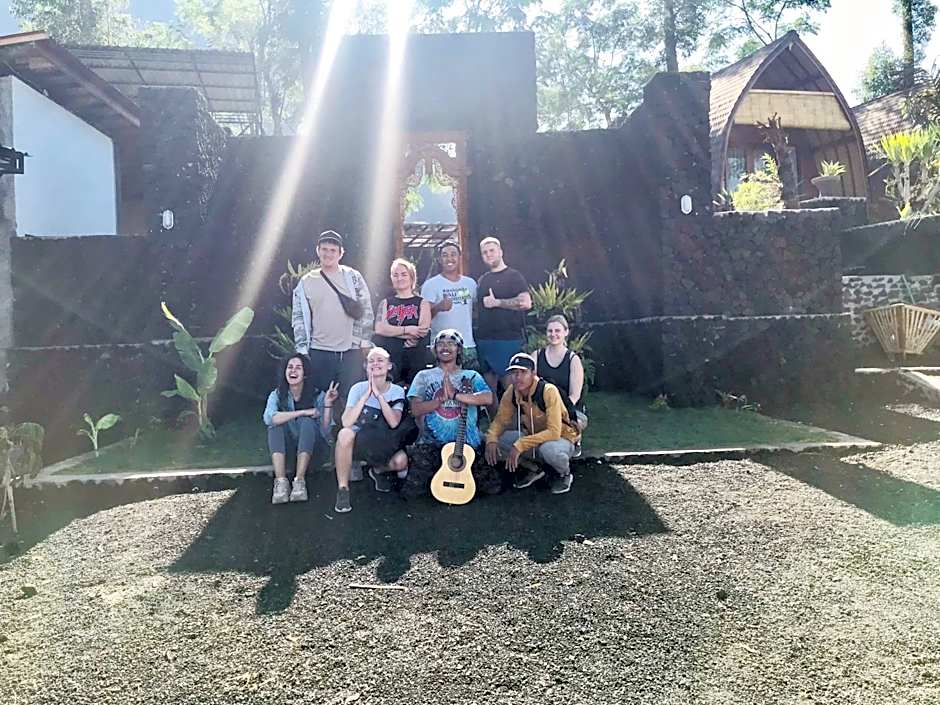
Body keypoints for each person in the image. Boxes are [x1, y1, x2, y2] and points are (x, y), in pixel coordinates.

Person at [401, 329, 502, 498]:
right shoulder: (424, 376)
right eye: (440, 344)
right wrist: (438, 401)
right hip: (431, 444)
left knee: (493, 488)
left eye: (451, 344)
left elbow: (488, 398)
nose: (445, 347)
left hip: (468, 446)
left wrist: (456, 395)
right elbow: (416, 409)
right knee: (411, 492)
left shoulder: (471, 376)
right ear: (435, 349)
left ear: (459, 349)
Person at [292, 230, 374, 400]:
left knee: (352, 399)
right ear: (318, 250)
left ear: (340, 253)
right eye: (324, 249)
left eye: (333, 250)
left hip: (350, 350)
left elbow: (366, 309)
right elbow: (298, 316)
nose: (328, 254)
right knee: (321, 400)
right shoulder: (306, 281)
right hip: (319, 351)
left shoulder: (353, 277)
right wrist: (301, 348)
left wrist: (364, 341)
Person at [484, 352, 580, 495]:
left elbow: (554, 432)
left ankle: (564, 474)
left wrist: (521, 444)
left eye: (523, 372)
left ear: (533, 373)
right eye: (514, 373)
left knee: (549, 450)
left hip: (561, 438)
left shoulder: (548, 391)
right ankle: (534, 468)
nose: (518, 377)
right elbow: (500, 420)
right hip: (534, 437)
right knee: (496, 439)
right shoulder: (512, 392)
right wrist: (491, 439)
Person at [333, 347, 412, 513]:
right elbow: (346, 422)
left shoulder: (397, 391)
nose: (375, 363)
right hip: (359, 440)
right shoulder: (357, 388)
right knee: (344, 434)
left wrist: (378, 396)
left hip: (383, 441)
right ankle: (343, 489)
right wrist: (365, 396)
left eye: (380, 360)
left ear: (389, 366)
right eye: (371, 361)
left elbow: (393, 422)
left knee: (401, 461)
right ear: (365, 366)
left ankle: (377, 470)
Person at [263, 354, 339, 505]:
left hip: (314, 453)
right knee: (275, 427)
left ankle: (299, 481)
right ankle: (281, 482)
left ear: (305, 374)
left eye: (298, 367)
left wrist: (328, 404)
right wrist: (302, 412)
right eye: (290, 367)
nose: (293, 371)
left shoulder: (318, 395)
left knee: (307, 422)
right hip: (289, 454)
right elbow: (269, 418)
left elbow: (325, 431)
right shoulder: (277, 395)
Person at [476, 236, 531, 413]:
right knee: (488, 391)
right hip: (485, 340)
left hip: (508, 339)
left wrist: (498, 302)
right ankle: (497, 425)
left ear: (500, 252)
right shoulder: (483, 280)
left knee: (512, 389)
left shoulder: (514, 276)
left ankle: (517, 425)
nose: (488, 254)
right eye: (484, 252)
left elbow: (525, 303)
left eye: (492, 250)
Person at [420, 240, 479, 370]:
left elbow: (476, 311)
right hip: (441, 347)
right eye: (445, 255)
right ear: (439, 259)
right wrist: (439, 307)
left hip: (467, 346)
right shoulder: (431, 285)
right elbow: (423, 319)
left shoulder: (470, 283)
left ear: (459, 257)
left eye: (453, 254)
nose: (449, 258)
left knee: (469, 381)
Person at [372, 258, 431, 385]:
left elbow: (422, 330)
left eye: (404, 274)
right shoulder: (385, 302)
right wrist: (408, 330)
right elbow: (380, 329)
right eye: (395, 275)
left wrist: (392, 333)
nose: (399, 278)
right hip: (391, 358)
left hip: (415, 358)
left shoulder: (422, 302)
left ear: (411, 277)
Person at [536, 314, 588, 432]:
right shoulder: (536, 356)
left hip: (570, 410)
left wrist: (557, 412)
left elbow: (574, 396)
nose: (553, 334)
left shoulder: (573, 360)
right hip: (541, 409)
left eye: (557, 331)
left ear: (566, 332)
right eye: (550, 331)